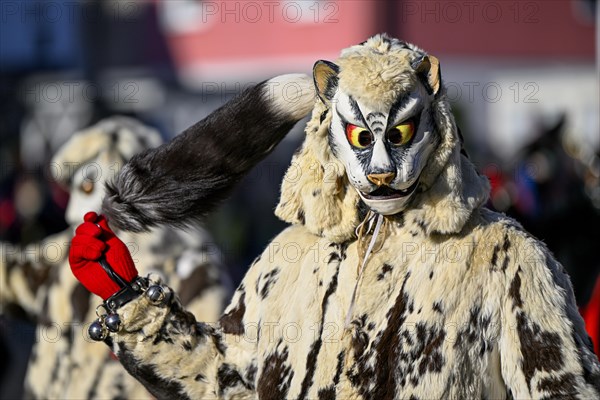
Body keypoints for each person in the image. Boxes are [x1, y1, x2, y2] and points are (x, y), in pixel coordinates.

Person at [68, 35, 600, 399]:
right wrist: (128, 300)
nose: (382, 167)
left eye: (398, 135)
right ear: (333, 135)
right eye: (363, 139)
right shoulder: (288, 262)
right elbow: (223, 385)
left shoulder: (505, 261)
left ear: (435, 126)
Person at [1, 116, 232, 399]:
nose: (72, 210)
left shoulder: (188, 261)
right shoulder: (66, 250)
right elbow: (8, 275)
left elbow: (206, 376)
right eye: (73, 189)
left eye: (86, 187)